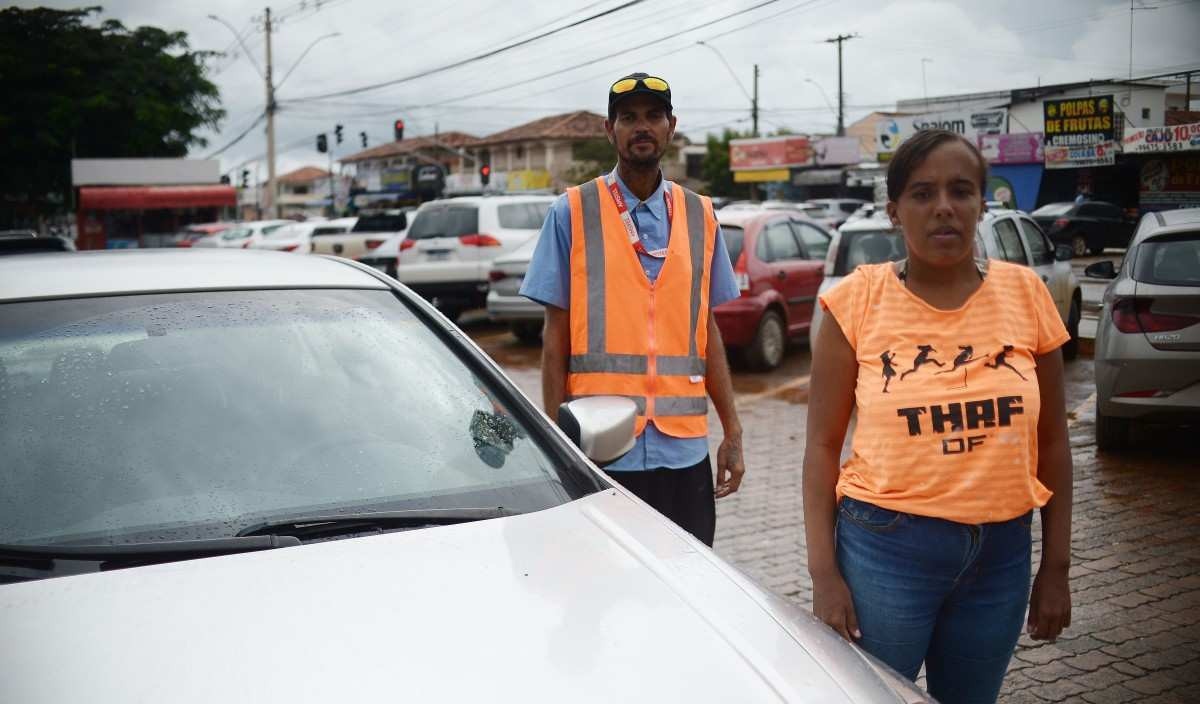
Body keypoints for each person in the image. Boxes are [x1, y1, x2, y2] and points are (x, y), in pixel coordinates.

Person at [802, 128, 1073, 704]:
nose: (944, 207)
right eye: (923, 193)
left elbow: (1053, 444)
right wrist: (824, 575)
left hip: (1001, 557)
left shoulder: (1027, 294)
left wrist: (1056, 568)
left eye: (961, 190)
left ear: (982, 202)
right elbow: (823, 447)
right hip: (886, 551)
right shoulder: (856, 300)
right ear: (895, 211)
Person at [520, 72, 745, 546]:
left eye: (652, 116)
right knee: (600, 593)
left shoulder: (701, 215)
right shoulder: (572, 212)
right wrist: (557, 444)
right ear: (610, 130)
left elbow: (708, 332)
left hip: (684, 454)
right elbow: (553, 337)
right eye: (628, 118)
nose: (641, 126)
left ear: (670, 126)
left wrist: (732, 429)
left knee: (688, 588)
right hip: (601, 451)